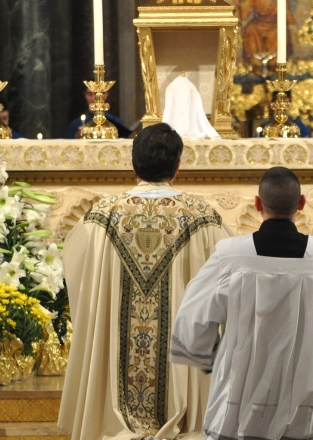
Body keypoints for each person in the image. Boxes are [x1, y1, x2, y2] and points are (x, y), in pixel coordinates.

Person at [58, 123, 233, 440]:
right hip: (184, 375)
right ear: (177, 166)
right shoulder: (203, 217)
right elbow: (228, 284)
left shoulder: (102, 215)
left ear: (133, 163)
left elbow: (74, 266)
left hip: (116, 374)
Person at [171, 167, 313, 439]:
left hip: (240, 395)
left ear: (257, 204)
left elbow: (192, 317)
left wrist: (214, 355)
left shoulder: (230, 256)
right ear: (301, 204)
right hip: (309, 393)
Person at [232, 0, 295, 70]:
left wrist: (293, 23)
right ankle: (257, 67)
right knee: (251, 30)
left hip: (274, 24)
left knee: (280, 32)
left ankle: (273, 68)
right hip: (258, 22)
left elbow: (285, 9)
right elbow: (244, 9)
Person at [64, 88, 128, 139]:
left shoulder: (116, 122)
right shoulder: (75, 124)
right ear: (85, 95)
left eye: (97, 94)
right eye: (90, 94)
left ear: (105, 95)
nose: (94, 98)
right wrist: (77, 137)